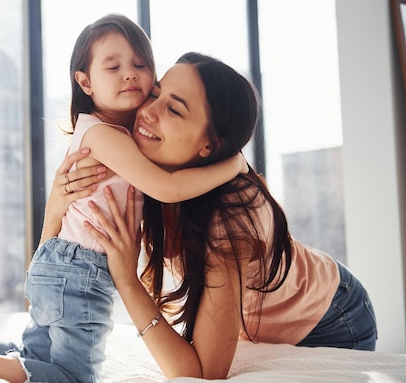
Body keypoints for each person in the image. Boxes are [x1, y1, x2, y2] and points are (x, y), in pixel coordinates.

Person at [0, 16, 246, 383]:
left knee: (35, 357)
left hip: (56, 260)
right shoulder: (105, 137)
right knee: (72, 376)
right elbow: (167, 187)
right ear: (85, 83)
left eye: (140, 65)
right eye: (113, 67)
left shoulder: (109, 135)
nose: (130, 75)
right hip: (82, 271)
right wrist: (233, 163)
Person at [68, 52, 377, 380]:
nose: (147, 112)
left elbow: (205, 373)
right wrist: (62, 192)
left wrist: (128, 281)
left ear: (209, 145)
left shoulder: (230, 221)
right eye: (156, 94)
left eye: (173, 108)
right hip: (262, 313)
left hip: (333, 317)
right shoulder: (149, 172)